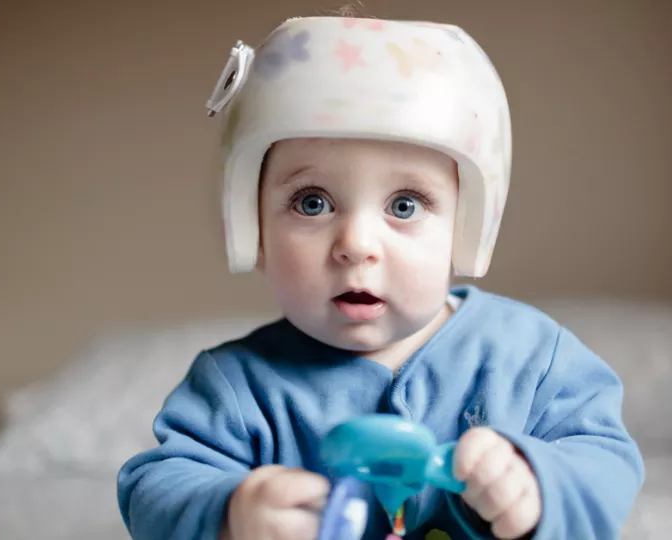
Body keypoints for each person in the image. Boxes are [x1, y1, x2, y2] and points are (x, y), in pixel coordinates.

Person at [116, 14, 645, 540]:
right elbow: (155, 487)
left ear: (467, 228)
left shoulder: (531, 358)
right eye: (312, 202)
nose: (357, 246)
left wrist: (537, 483)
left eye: (406, 204)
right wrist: (231, 511)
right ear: (250, 227)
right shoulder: (234, 388)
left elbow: (607, 461)